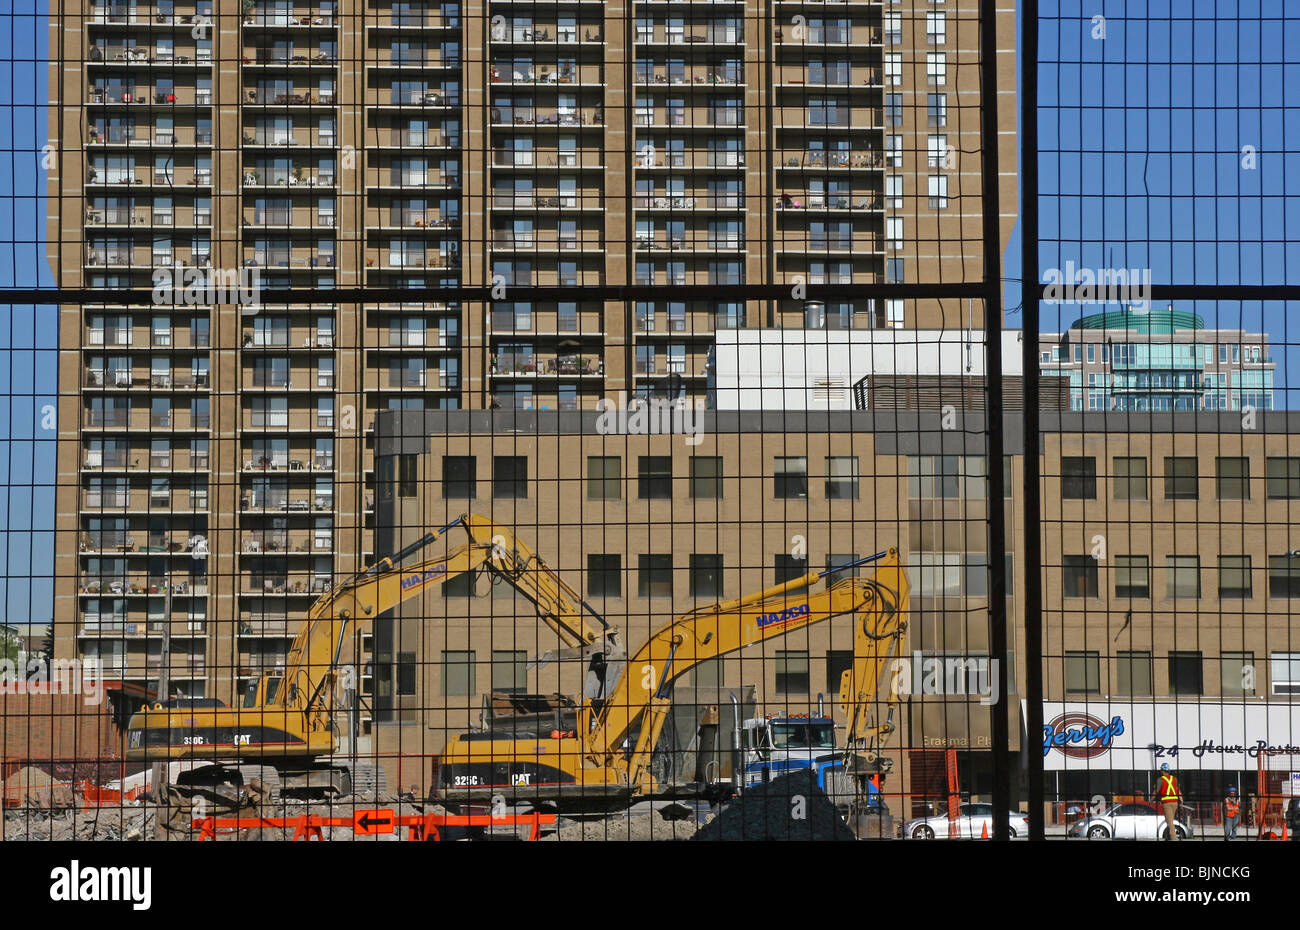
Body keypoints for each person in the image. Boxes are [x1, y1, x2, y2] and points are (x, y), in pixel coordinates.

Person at [1157, 762, 1182, 841]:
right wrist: (1181, 799)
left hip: (1167, 803)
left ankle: (1174, 839)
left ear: (1163, 771)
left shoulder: (1160, 779)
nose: (1160, 771)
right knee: (1169, 820)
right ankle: (1167, 837)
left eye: (1161, 770)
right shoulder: (1174, 779)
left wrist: (1151, 799)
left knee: (1169, 822)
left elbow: (1156, 791)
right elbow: (1178, 790)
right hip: (1175, 803)